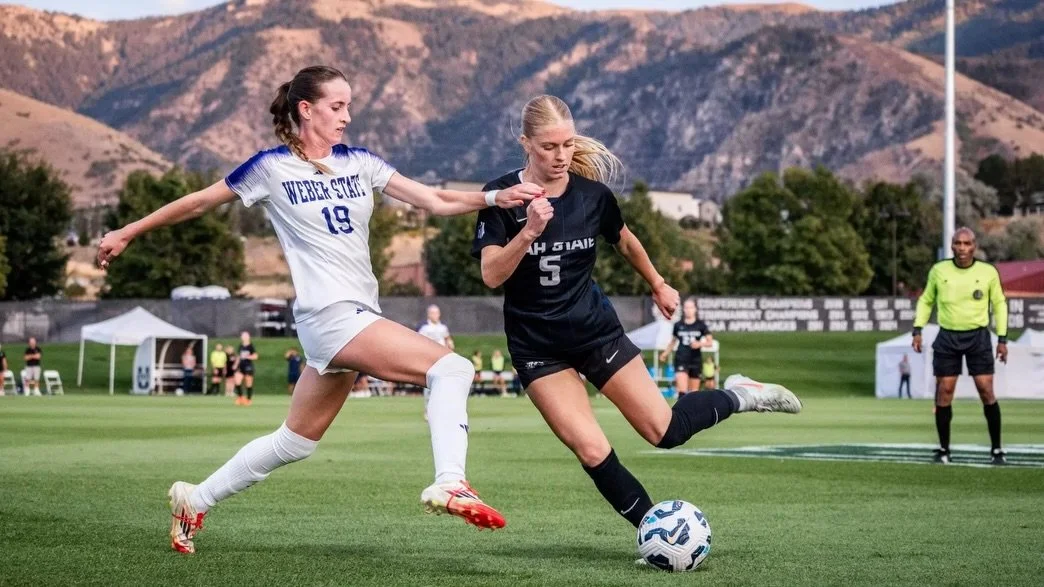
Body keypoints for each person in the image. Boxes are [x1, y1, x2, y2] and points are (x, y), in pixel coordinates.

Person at [97, 65, 540, 554]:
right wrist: (127, 231)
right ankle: (451, 482)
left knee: (297, 441)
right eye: (337, 106)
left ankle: (194, 499)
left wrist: (496, 197)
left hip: (353, 316)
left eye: (349, 106)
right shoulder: (270, 167)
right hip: (330, 316)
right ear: (305, 110)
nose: (347, 116)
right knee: (452, 368)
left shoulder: (361, 163)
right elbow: (199, 202)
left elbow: (433, 199)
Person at [472, 94, 801, 533]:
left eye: (568, 144)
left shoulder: (593, 196)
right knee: (591, 449)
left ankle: (741, 394)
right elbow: (492, 275)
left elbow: (624, 240)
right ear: (526, 143)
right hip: (537, 349)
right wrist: (530, 230)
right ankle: (655, 533)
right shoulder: (499, 198)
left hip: (596, 333)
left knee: (664, 432)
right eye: (549, 146)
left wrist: (659, 283)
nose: (561, 156)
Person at [913, 227, 1008, 465]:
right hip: (947, 336)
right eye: (958, 243)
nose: (962, 248)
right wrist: (918, 329)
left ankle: (997, 449)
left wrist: (1003, 338)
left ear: (974, 246)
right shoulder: (939, 270)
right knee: (944, 392)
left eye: (967, 244)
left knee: (985, 390)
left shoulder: (987, 272)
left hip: (978, 336)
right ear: (952, 245)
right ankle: (944, 450)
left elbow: (999, 304)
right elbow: (926, 300)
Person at [658, 297, 712, 396]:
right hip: (681, 358)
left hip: (695, 359)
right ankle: (680, 411)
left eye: (691, 307)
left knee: (694, 393)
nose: (688, 310)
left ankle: (693, 411)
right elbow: (673, 342)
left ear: (695, 309)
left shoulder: (701, 325)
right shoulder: (678, 325)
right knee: (682, 391)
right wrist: (665, 354)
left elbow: (710, 342)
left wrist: (699, 344)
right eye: (686, 307)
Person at [233, 331, 259, 406]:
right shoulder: (241, 346)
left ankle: (248, 399)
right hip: (241, 366)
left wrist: (248, 357)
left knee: (248, 383)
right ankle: (240, 397)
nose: (243, 337)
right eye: (242, 336)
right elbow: (238, 356)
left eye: (245, 336)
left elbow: (255, 356)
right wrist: (235, 364)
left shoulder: (250, 346)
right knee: (237, 381)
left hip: (248, 366)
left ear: (248, 337)